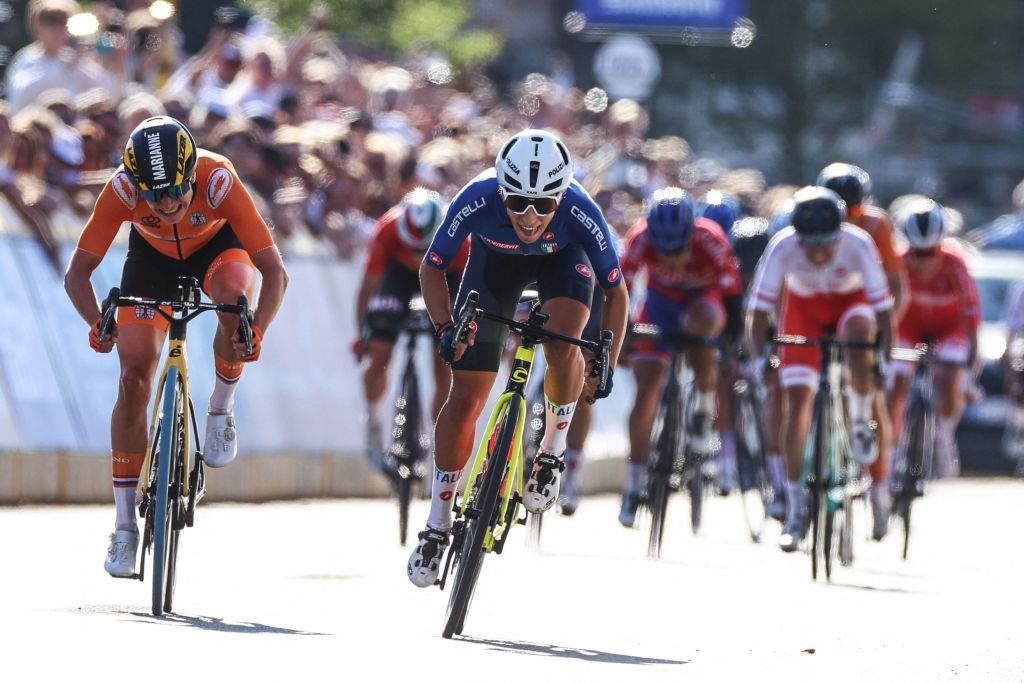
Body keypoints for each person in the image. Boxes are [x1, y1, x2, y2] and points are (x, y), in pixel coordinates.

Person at [64, 116, 288, 577]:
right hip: (151, 260)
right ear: (136, 186)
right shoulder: (122, 189)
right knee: (132, 378)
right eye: (153, 194)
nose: (166, 202)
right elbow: (77, 274)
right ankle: (125, 527)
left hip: (218, 249)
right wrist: (96, 324)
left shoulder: (218, 179)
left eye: (175, 191)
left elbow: (274, 271)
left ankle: (221, 408)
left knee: (233, 302)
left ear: (191, 176)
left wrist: (257, 328)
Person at [406, 129, 629, 587]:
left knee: (565, 341)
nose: (530, 216)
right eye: (518, 203)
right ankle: (437, 522)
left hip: (563, 265)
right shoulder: (477, 197)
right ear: (501, 190)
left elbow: (616, 290)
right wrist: (446, 328)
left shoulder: (581, 211)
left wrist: (606, 357)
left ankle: (551, 450)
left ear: (561, 196)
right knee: (466, 395)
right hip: (494, 269)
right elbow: (432, 266)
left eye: (544, 205)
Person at [746, 186, 893, 553]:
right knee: (797, 403)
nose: (817, 253)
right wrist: (761, 356)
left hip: (850, 304)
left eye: (825, 243)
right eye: (808, 244)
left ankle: (859, 418)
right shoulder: (783, 245)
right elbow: (759, 311)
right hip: (804, 311)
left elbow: (884, 313)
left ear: (839, 234)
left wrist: (883, 362)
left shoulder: (858, 244)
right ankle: (796, 510)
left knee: (859, 334)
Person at [616, 187, 743, 527]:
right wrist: (623, 337)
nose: (672, 257)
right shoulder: (640, 238)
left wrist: (732, 340)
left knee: (702, 332)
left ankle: (703, 405)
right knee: (647, 389)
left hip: (702, 302)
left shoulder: (711, 238)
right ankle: (635, 479)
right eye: (664, 249)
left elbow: (732, 295)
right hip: (658, 305)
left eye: (679, 248)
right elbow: (619, 291)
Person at [884, 198, 979, 536]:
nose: (924, 261)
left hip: (947, 328)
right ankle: (893, 451)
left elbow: (970, 312)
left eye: (930, 253)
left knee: (952, 373)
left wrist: (972, 354)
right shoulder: (898, 261)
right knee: (897, 384)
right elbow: (885, 307)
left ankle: (942, 433)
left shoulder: (956, 263)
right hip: (907, 328)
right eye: (918, 254)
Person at [353, 188, 468, 465]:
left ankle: (441, 437)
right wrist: (362, 334)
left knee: (446, 361)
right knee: (379, 352)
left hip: (445, 275)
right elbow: (368, 287)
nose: (418, 256)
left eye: (423, 249)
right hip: (398, 276)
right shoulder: (388, 229)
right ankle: (373, 419)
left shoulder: (462, 240)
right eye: (413, 248)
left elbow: (468, 293)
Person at [817, 162, 906, 521]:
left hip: (864, 309)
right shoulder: (811, 216)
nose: (847, 216)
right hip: (823, 305)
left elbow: (896, 285)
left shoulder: (876, 224)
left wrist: (885, 333)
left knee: (871, 396)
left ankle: (880, 482)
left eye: (853, 209)